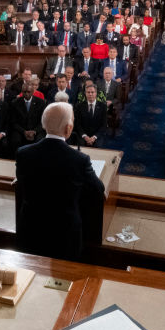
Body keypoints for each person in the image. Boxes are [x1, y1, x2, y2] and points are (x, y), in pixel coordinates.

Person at [14, 102, 106, 261]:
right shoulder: (80, 160)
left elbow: (21, 185)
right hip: (65, 234)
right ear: (68, 128)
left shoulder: (23, 153)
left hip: (30, 229)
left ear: (43, 124)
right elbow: (98, 190)